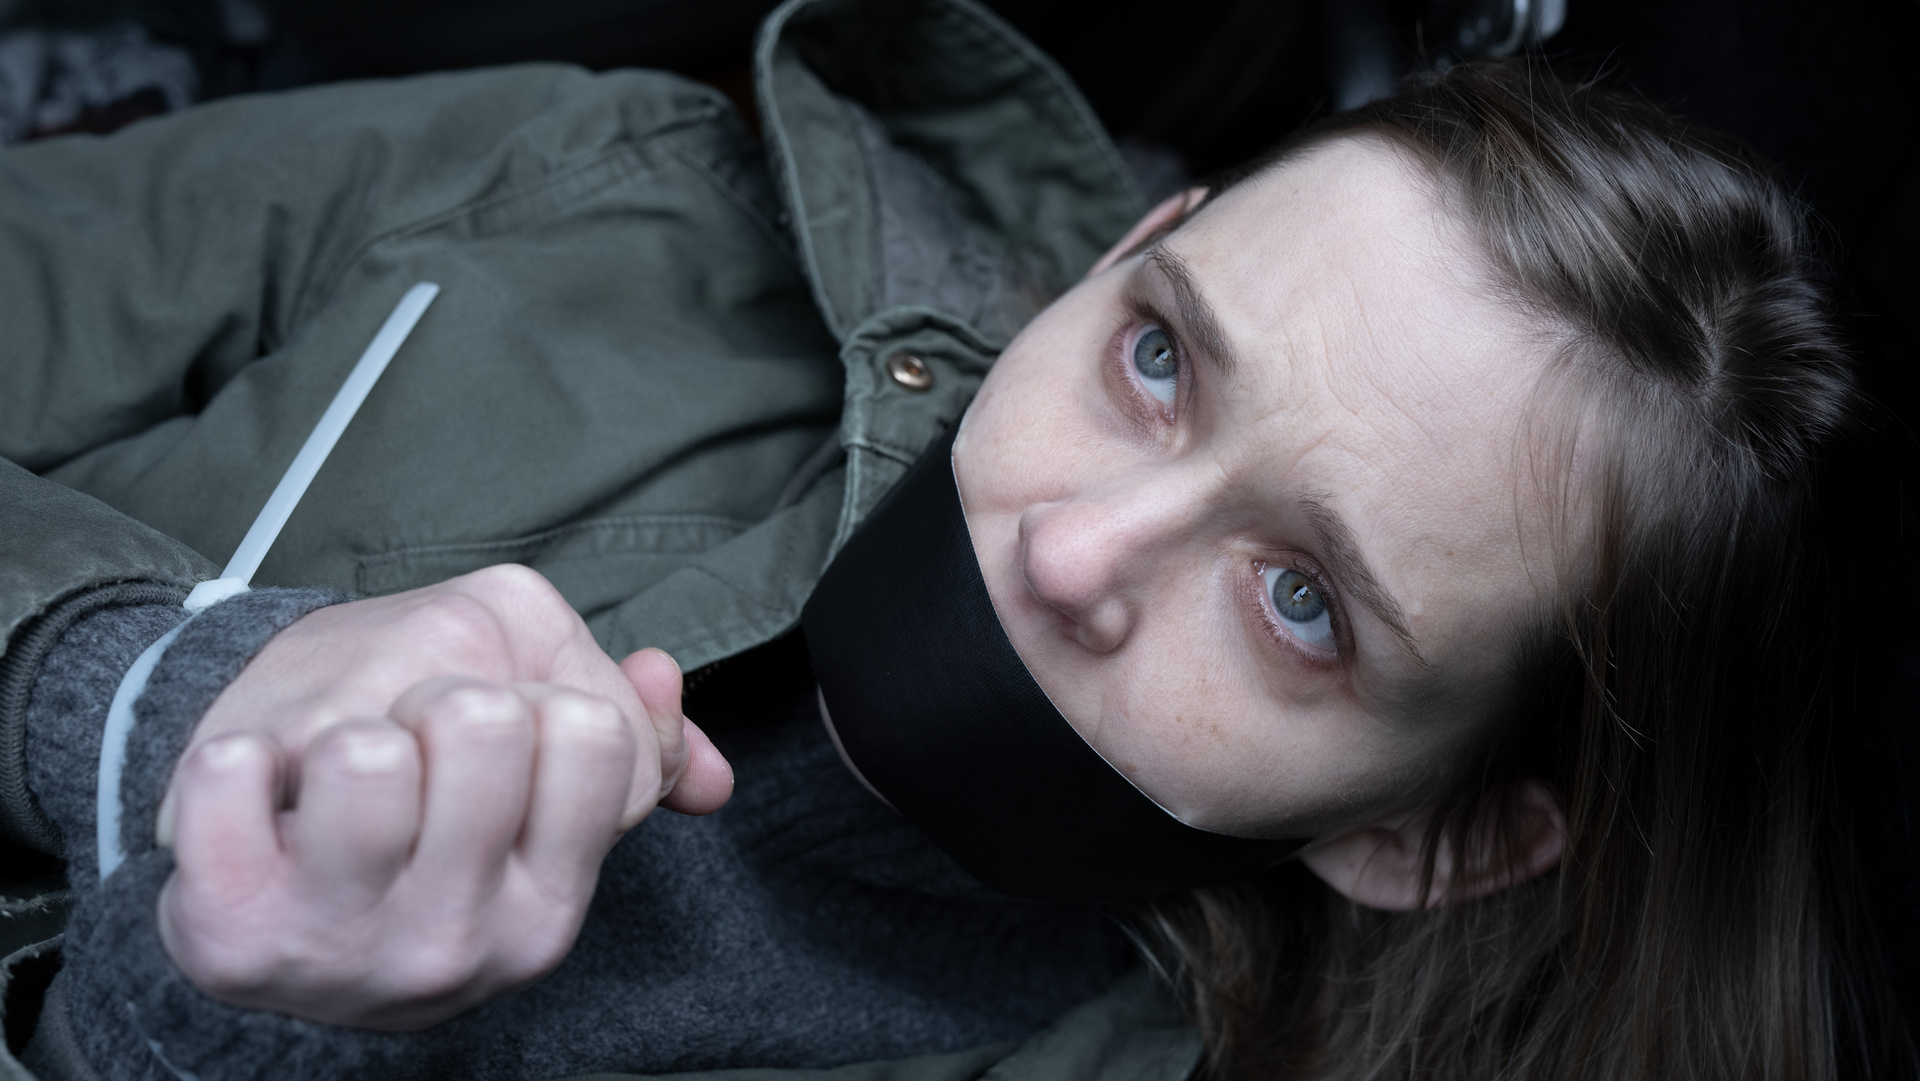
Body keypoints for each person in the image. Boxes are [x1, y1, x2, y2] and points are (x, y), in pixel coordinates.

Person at [0, 1, 1906, 1080]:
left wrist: (201, 1021)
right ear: (1132, 248)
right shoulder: (609, 189)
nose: (1074, 552)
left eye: (1301, 599)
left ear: (1433, 839)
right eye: (1159, 360)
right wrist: (123, 679)